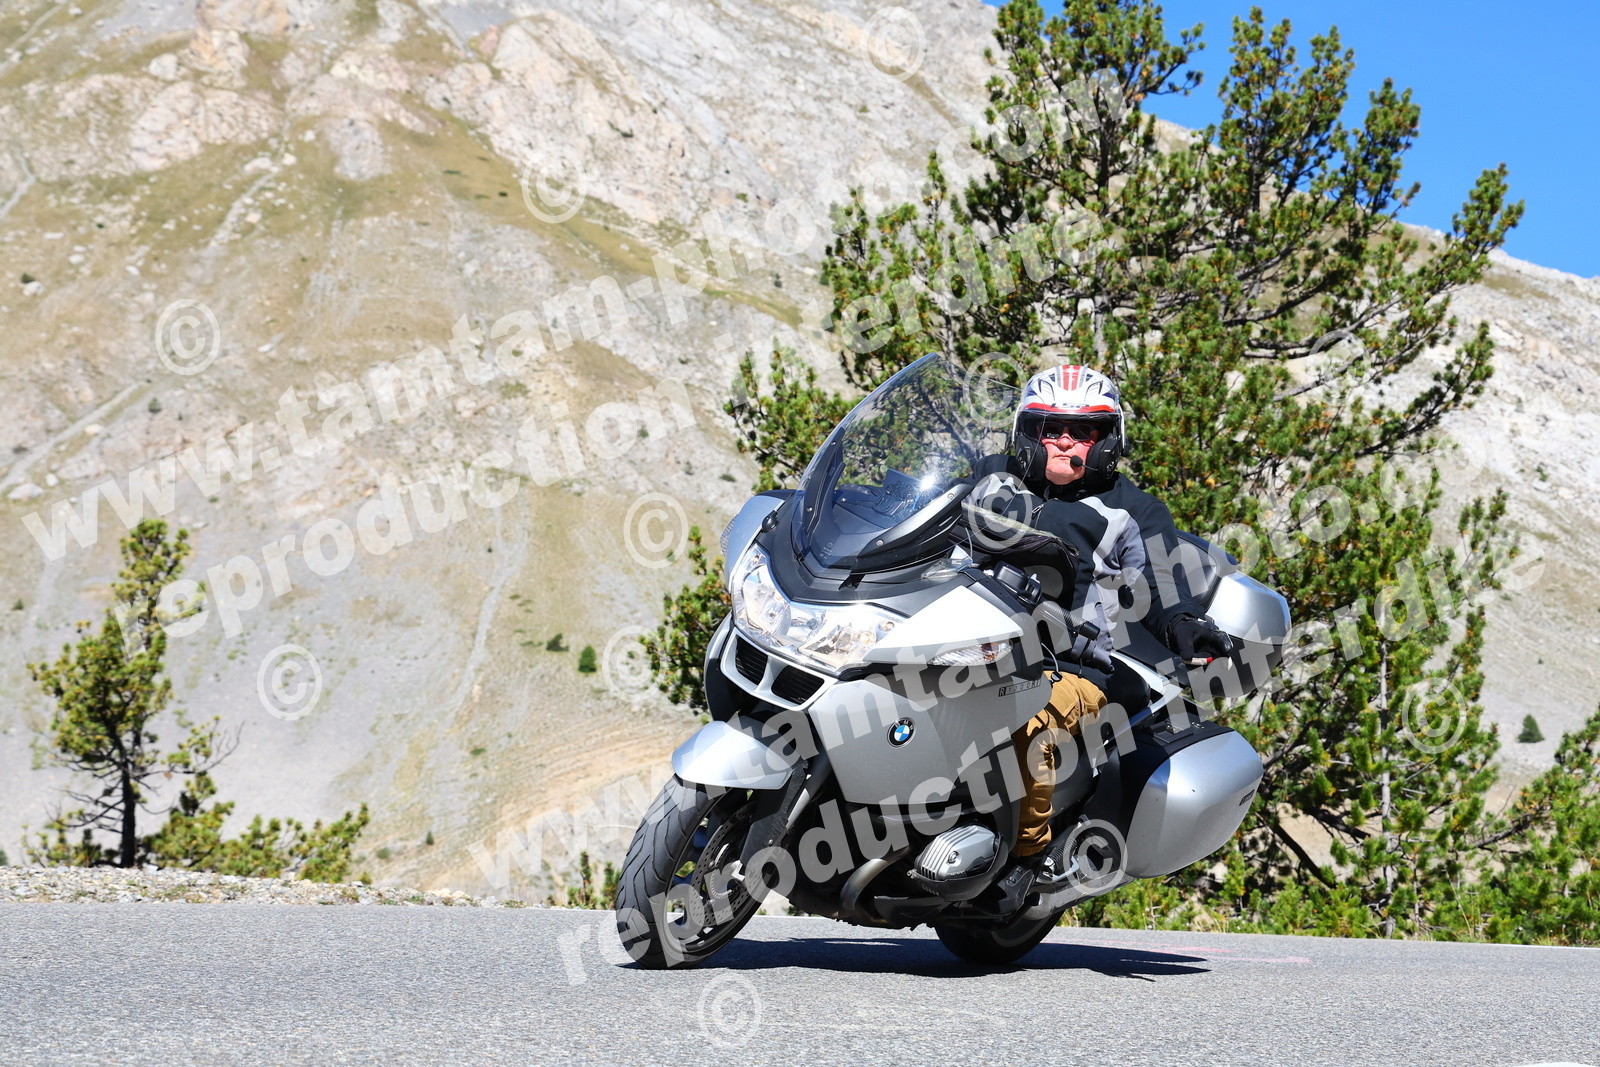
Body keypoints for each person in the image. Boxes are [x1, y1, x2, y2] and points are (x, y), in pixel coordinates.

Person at [968, 363, 1235, 870]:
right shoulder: (986, 475)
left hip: (1068, 667)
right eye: (1051, 428)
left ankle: (1023, 861)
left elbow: (1159, 581)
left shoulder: (1133, 510)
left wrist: (1185, 624)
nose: (1065, 442)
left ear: (1108, 440)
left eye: (1083, 431)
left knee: (1025, 716)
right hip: (963, 644)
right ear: (1028, 431)